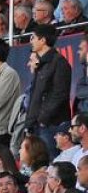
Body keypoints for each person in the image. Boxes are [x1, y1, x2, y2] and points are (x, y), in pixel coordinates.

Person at [26, 24, 72, 156]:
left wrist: (42, 119)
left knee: (52, 163)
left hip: (51, 126)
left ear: (43, 40)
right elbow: (35, 96)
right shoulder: (40, 65)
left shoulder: (59, 62)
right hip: (37, 125)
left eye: (33, 37)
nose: (31, 41)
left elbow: (60, 94)